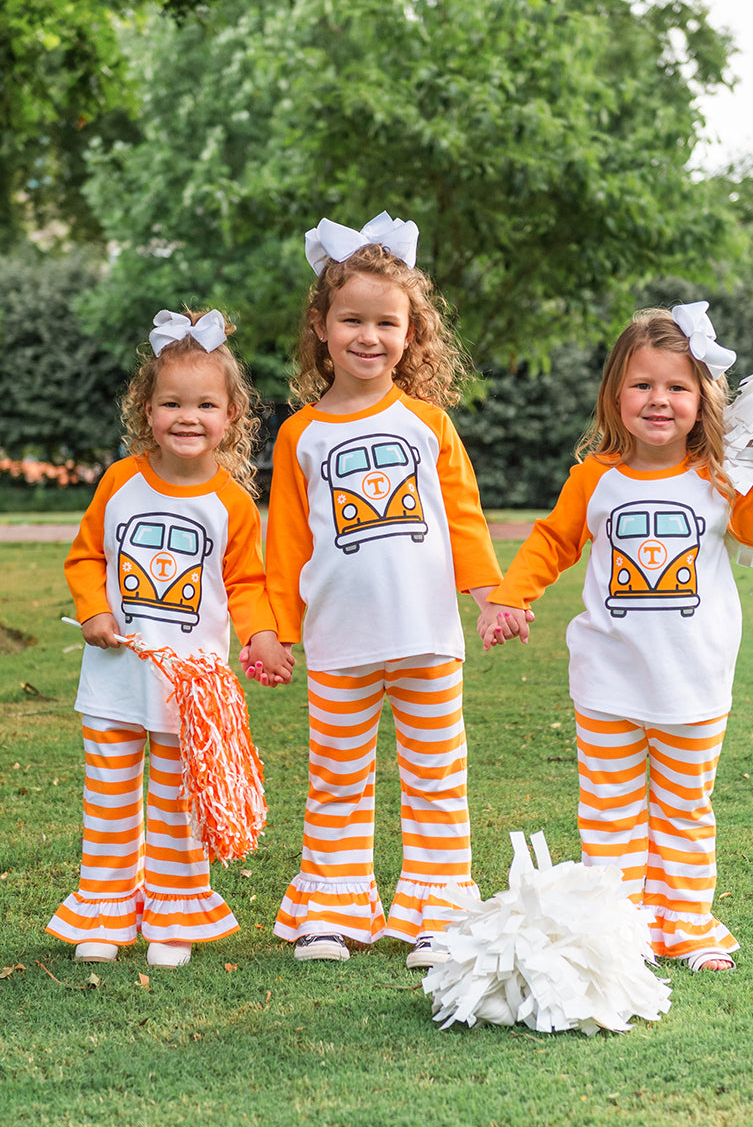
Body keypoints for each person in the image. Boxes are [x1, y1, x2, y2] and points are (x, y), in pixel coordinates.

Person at [477, 304, 753, 972]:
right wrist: (509, 597)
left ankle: (687, 926)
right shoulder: (595, 478)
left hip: (694, 683)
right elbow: (551, 541)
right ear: (614, 394)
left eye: (677, 387)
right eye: (642, 385)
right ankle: (619, 929)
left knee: (685, 811)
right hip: (607, 682)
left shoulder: (720, 479)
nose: (659, 400)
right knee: (610, 815)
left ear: (701, 398)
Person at [261, 212, 504, 969]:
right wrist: (274, 630)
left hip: (428, 635)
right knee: (337, 779)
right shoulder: (300, 434)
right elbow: (287, 545)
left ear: (412, 334)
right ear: (322, 328)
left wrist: (492, 596)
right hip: (339, 640)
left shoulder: (428, 423)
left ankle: (439, 913)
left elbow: (464, 520)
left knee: (437, 781)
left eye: (387, 323)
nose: (370, 337)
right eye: (353, 320)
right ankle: (332, 911)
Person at [47, 308, 293, 969]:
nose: (188, 417)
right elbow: (85, 557)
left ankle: (174, 913)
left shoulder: (232, 504)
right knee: (109, 802)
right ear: (146, 410)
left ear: (232, 413)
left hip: (192, 688)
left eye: (205, 404)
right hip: (115, 680)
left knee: (181, 806)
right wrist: (94, 609)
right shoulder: (120, 484)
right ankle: (104, 911)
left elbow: (246, 583)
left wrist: (263, 636)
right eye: (172, 403)